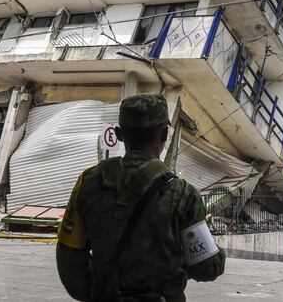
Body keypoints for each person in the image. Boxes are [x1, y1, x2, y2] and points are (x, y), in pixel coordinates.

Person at [57, 94, 225, 301]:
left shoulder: (89, 182)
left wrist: (100, 292)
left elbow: (68, 259)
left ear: (119, 134)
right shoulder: (183, 194)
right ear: (164, 134)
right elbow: (207, 267)